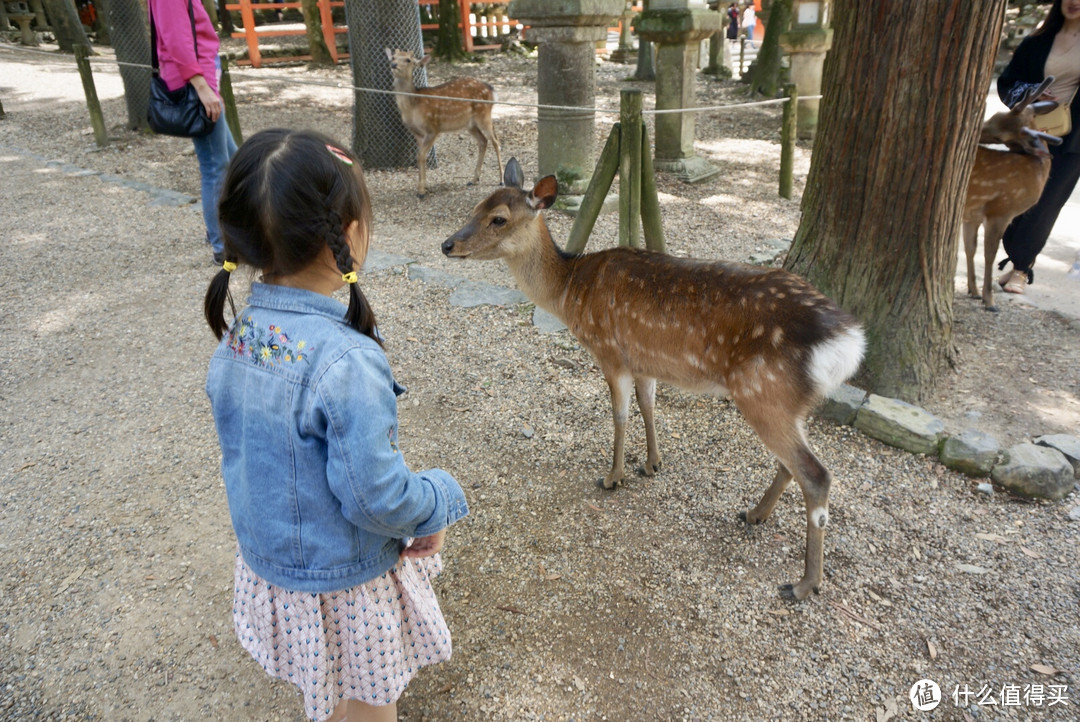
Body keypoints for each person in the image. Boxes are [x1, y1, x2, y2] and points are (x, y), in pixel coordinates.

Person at [204, 128, 469, 722]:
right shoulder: (345, 362)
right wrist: (438, 501)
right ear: (349, 234)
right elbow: (375, 497)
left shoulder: (239, 335)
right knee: (370, 703)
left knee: (325, 685)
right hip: (346, 584)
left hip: (273, 569)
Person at [996, 0, 1080, 295]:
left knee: (1046, 203)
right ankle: (1014, 254)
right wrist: (1031, 92)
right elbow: (1007, 81)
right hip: (1031, 132)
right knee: (1016, 198)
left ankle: (1020, 268)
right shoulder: (1038, 39)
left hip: (1072, 140)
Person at [148, 0, 238, 264]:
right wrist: (201, 86)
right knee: (216, 166)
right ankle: (222, 245)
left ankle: (230, 230)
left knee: (233, 160)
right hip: (194, 82)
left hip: (202, 76)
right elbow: (176, 38)